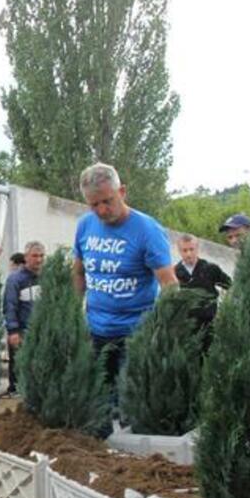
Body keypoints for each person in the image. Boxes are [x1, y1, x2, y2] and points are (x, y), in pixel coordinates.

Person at [72, 163, 177, 414]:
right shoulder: (85, 226)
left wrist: (161, 329)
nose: (101, 210)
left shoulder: (148, 230)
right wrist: (72, 312)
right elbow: (78, 271)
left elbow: (170, 284)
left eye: (107, 201)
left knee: (128, 407)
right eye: (93, 204)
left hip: (134, 334)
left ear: (123, 192)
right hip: (95, 331)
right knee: (95, 403)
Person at [174, 234, 232, 348]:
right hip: (186, 325)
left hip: (210, 323)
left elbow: (230, 285)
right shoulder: (175, 272)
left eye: (191, 249)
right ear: (179, 251)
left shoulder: (210, 268)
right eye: (184, 250)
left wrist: (226, 308)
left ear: (197, 249)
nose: (189, 254)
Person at [3, 241, 45, 396]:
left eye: (41, 256)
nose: (39, 259)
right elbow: (10, 306)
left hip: (41, 330)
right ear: (26, 257)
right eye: (35, 256)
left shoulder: (46, 278)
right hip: (22, 330)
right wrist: (13, 330)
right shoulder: (15, 280)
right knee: (19, 362)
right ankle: (15, 390)